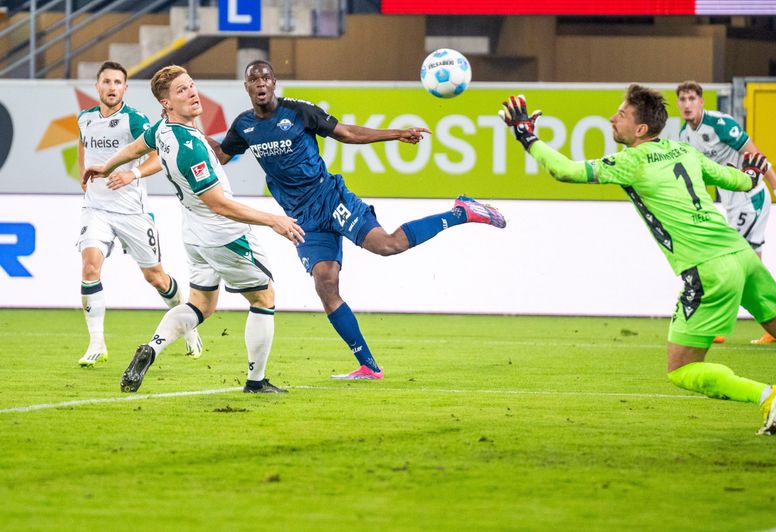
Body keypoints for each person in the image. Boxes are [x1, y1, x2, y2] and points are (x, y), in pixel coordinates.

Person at [500, 86, 776, 434]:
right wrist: (752, 172)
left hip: (708, 270)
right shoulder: (682, 151)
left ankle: (767, 395)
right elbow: (740, 181)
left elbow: (564, 170)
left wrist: (527, 137)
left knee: (680, 368)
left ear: (640, 129)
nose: (613, 118)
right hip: (742, 255)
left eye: (621, 114)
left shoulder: (631, 163)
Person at [209, 60, 507, 381]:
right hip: (303, 218)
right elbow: (222, 155)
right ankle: (369, 366)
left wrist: (395, 133)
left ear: (274, 82)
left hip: (330, 197)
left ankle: (462, 212)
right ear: (247, 87)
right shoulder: (243, 125)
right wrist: (186, 133)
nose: (261, 82)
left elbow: (347, 133)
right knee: (325, 283)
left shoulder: (298, 112)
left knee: (387, 245)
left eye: (266, 77)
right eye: (254, 79)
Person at [82, 65, 305, 394]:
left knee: (201, 305)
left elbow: (135, 149)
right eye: (182, 90)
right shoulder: (191, 148)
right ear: (166, 103)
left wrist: (106, 165)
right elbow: (219, 204)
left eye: (192, 86)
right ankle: (256, 382)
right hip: (224, 235)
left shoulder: (162, 130)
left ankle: (151, 348)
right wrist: (273, 219)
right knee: (264, 296)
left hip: (194, 236)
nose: (192, 93)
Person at [76, 61, 201, 367]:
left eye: (118, 82)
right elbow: (83, 145)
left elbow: (159, 156)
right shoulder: (85, 118)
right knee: (90, 267)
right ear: (98, 86)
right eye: (106, 81)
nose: (111, 87)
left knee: (156, 278)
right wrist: (84, 174)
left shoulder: (134, 120)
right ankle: (96, 343)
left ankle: (188, 327)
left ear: (125, 88)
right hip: (97, 209)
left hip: (131, 212)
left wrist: (132, 175)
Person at [676, 81, 776, 345]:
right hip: (732, 203)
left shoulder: (720, 124)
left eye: (691, 98)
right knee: (753, 267)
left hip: (750, 198)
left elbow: (756, 154)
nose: (687, 104)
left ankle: (717, 325)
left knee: (726, 260)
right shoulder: (684, 136)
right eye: (682, 99)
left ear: (701, 101)